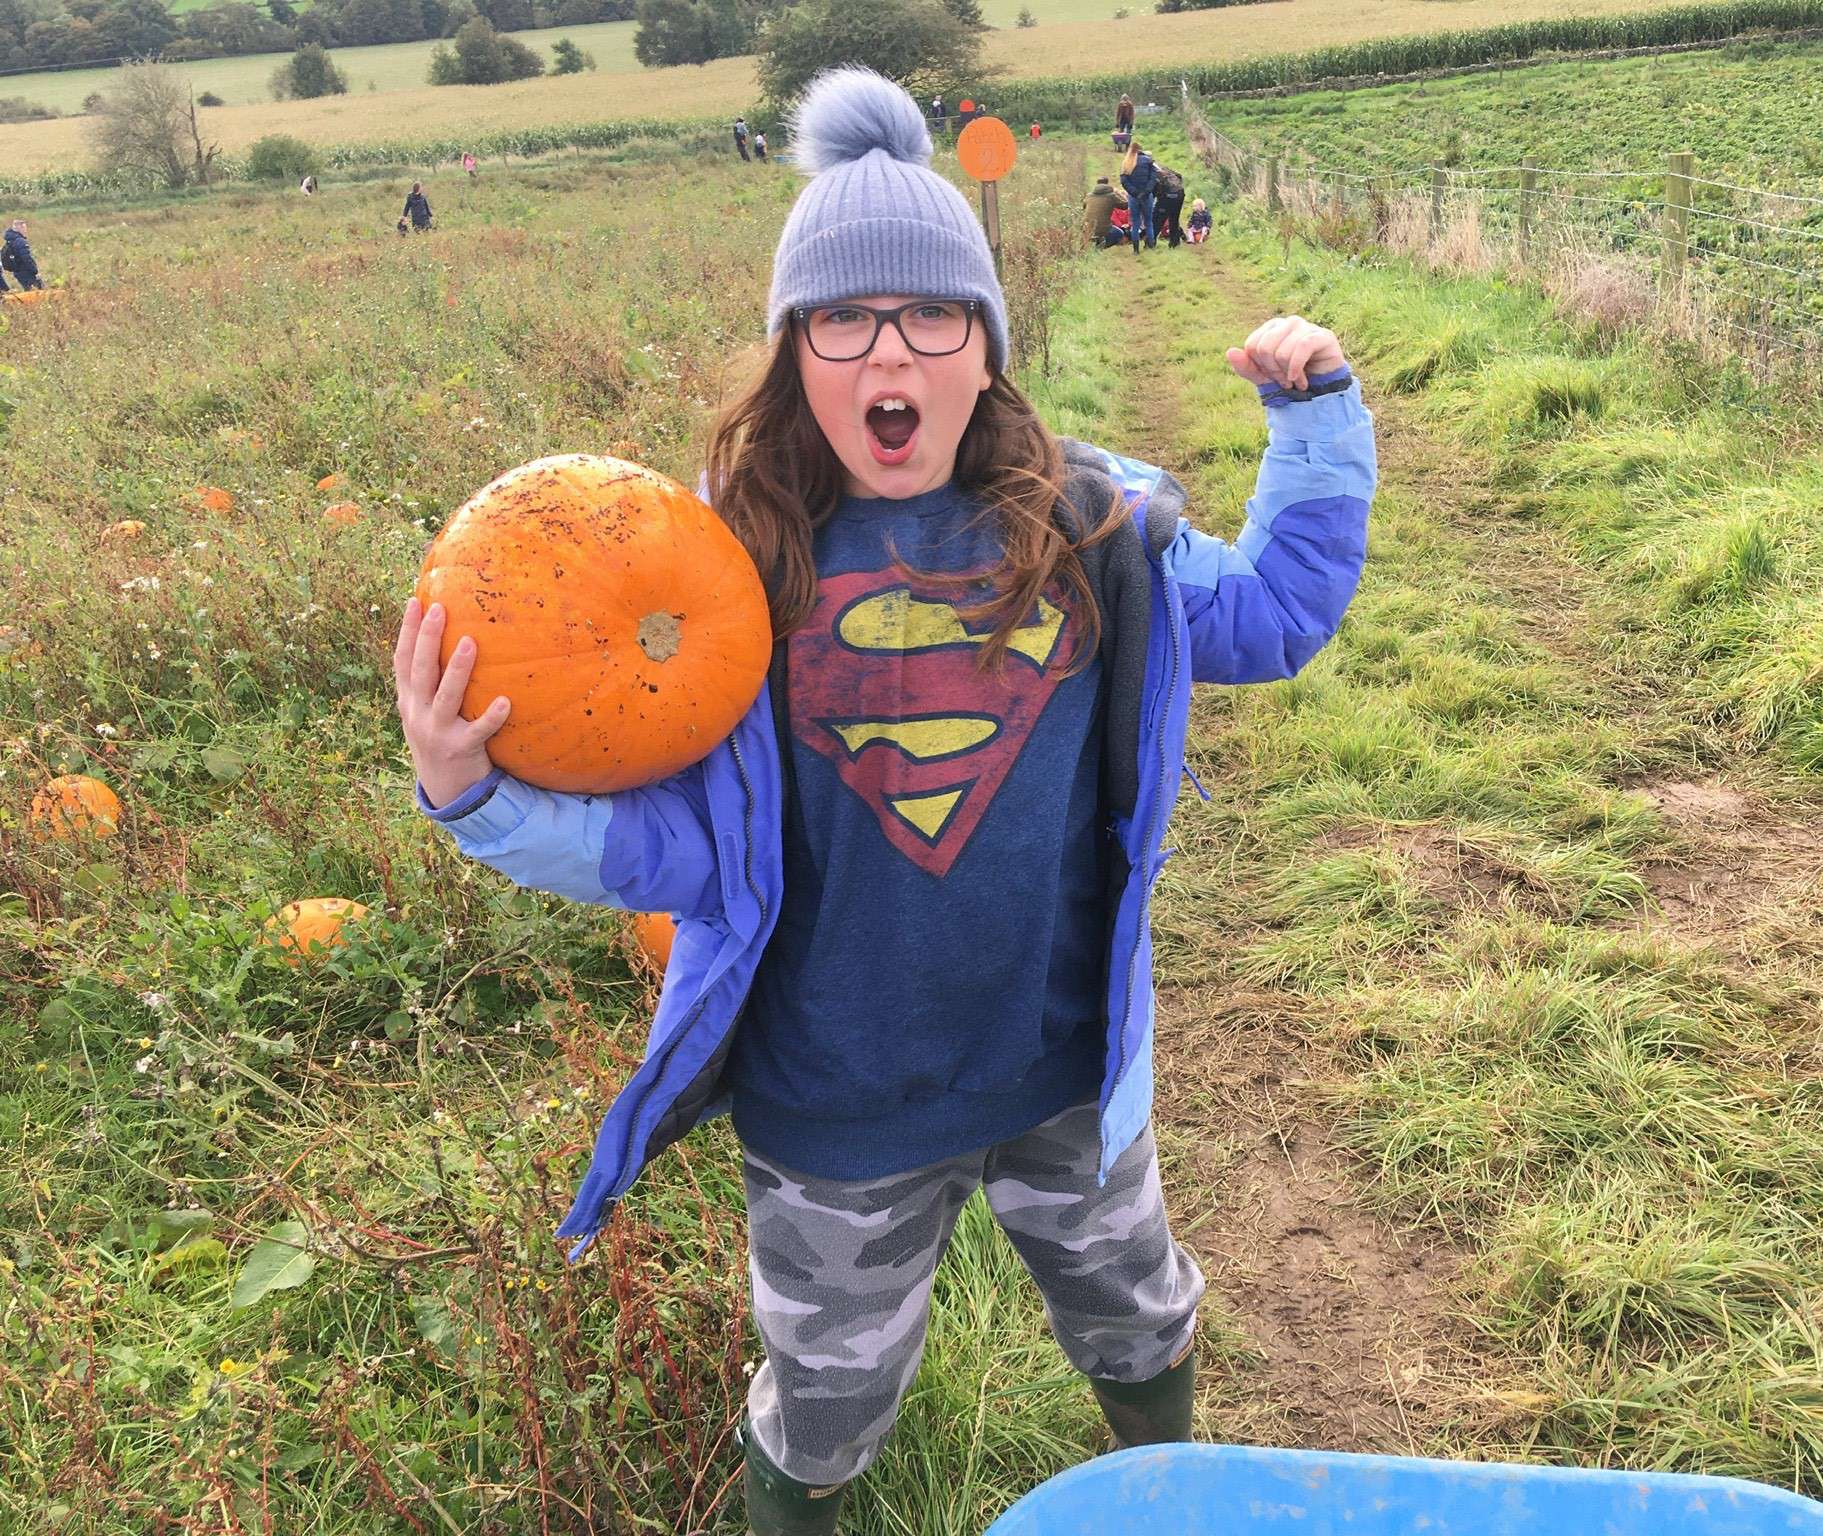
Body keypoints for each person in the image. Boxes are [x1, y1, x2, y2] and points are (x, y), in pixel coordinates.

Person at [395, 67, 1373, 1536]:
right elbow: (681, 848)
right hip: (834, 1112)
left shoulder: (1097, 532)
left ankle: (1171, 1498)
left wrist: (1315, 427)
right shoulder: (733, 578)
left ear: (984, 344)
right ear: (795, 354)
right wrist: (475, 797)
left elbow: (1278, 617)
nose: (887, 353)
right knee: (826, 1404)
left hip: (1061, 1075)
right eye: (843, 322)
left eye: (931, 315)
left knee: (1138, 1316)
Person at [1119, 139, 1158, 253]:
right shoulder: (1149, 161)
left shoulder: (1126, 163)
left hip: (1133, 197)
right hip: (1147, 196)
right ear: (1141, 150)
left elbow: (1124, 181)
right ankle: (1151, 246)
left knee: (1135, 223)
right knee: (1148, 222)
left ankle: (1136, 249)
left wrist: (1134, 193)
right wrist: (1146, 191)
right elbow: (1153, 178)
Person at [1083, 174, 1125, 247]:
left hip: (1087, 227)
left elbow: (1084, 207)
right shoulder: (1111, 196)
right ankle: (1099, 249)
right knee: (1119, 233)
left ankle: (1098, 244)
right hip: (1103, 229)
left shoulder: (1089, 196)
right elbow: (1125, 205)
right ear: (1107, 183)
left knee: (1100, 232)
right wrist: (1118, 193)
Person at [3, 219, 43, 290]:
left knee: (28, 290)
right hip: (26, 271)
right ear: (19, 228)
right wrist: (35, 271)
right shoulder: (20, 241)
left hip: (17, 272)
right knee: (37, 291)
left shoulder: (10, 240)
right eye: (24, 228)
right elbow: (27, 258)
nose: (25, 231)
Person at [1154, 162, 1186, 249]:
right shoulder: (1165, 169)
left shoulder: (1153, 172)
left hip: (1166, 196)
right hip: (1179, 194)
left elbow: (1153, 188)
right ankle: (1175, 243)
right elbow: (1179, 176)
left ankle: (1150, 243)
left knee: (1158, 219)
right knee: (1174, 219)